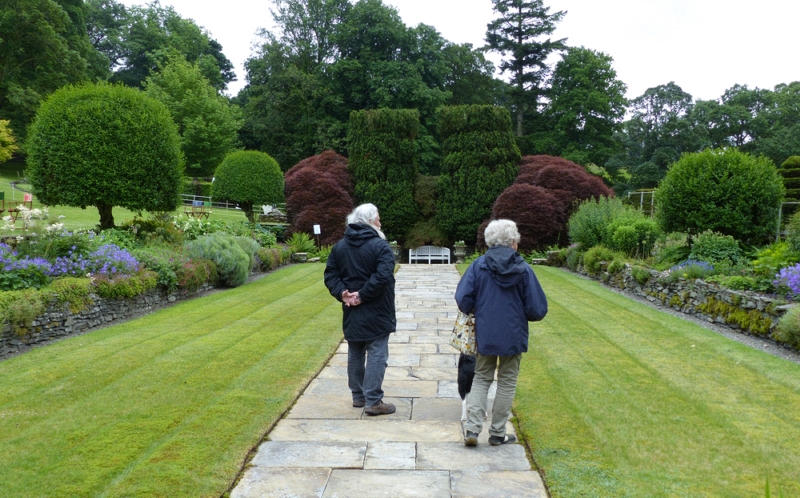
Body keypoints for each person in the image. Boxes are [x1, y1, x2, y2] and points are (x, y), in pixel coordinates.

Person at [455, 219, 548, 446]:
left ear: (490, 241)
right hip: (513, 334)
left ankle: (472, 430)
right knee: (507, 381)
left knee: (481, 378)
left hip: (485, 332)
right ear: (513, 243)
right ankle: (497, 433)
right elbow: (537, 309)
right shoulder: (524, 269)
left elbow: (463, 299)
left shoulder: (478, 265)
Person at [324, 203, 397, 416]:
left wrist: (344, 294)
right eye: (378, 218)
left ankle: (359, 396)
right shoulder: (380, 246)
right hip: (377, 309)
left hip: (352, 310)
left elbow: (330, 275)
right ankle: (373, 401)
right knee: (376, 351)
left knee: (356, 349)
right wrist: (358, 295)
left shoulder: (340, 247)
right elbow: (383, 276)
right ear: (369, 221)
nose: (380, 222)